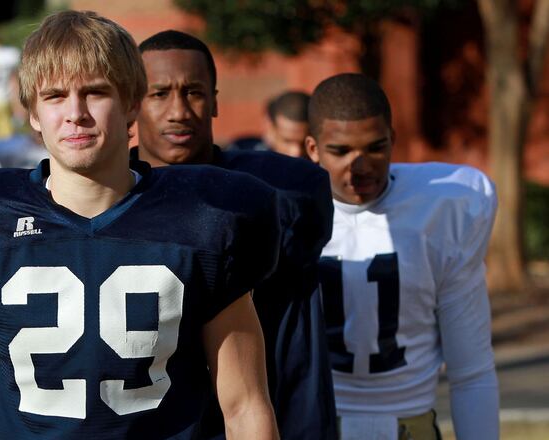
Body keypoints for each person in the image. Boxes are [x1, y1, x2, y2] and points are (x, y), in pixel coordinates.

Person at [0, 11, 280, 439]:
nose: (75, 114)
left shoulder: (200, 223)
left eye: (95, 92)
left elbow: (246, 407)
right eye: (54, 96)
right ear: (32, 112)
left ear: (131, 104)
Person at [134, 30, 337, 440]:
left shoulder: (276, 194)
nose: (178, 111)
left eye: (193, 92)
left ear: (214, 100)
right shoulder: (104, 195)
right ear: (131, 102)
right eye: (159, 94)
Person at [305, 73, 499, 440]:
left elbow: (471, 371)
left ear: (394, 139)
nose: (360, 166)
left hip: (411, 426)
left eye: (375, 147)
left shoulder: (446, 206)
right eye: (341, 151)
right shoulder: (283, 209)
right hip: (316, 424)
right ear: (313, 149)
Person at [264, 91, 310, 158]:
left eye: (304, 144)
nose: (296, 153)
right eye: (287, 141)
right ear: (270, 129)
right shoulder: (249, 162)